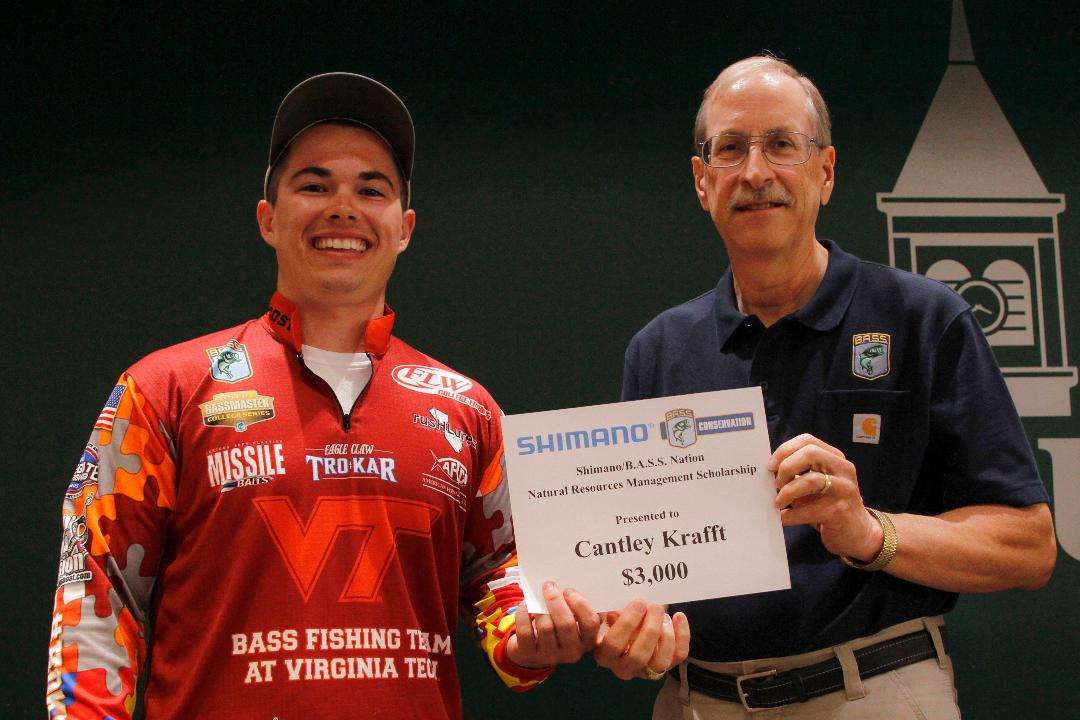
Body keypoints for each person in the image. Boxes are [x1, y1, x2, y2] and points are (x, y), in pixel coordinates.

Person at [45, 72, 686, 720]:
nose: (343, 207)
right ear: (268, 218)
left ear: (404, 228)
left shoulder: (466, 408)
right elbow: (95, 594)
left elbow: (506, 589)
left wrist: (537, 635)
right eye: (314, 185)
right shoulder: (164, 389)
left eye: (371, 189)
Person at [614, 56, 1057, 719]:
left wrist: (869, 533)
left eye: (781, 144)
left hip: (873, 691)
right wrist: (631, 629)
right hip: (697, 700)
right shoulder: (659, 350)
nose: (755, 172)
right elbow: (635, 560)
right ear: (702, 181)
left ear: (825, 171)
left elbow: (1028, 546)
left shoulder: (924, 319)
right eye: (731, 149)